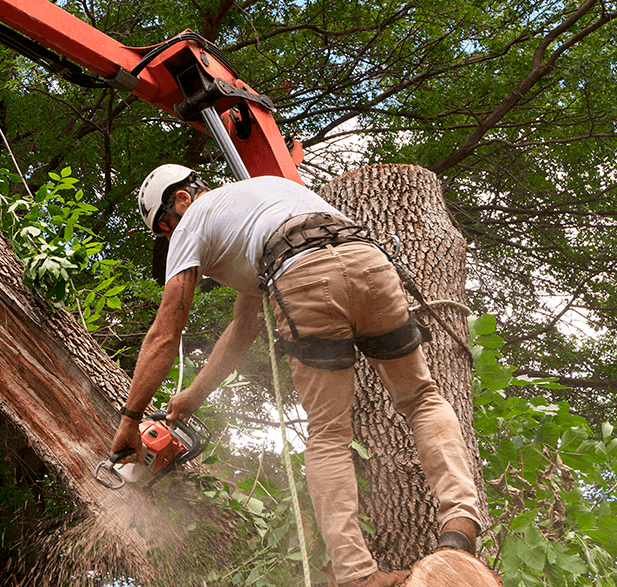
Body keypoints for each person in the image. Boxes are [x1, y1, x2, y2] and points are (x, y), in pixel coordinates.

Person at [109, 164, 482, 587]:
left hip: (302, 275)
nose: (170, 236)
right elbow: (243, 328)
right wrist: (194, 395)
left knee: (328, 432)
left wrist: (129, 420)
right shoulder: (262, 197)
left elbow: (165, 333)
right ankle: (461, 524)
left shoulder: (193, 220)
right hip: (369, 261)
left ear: (181, 199)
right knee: (421, 397)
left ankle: (358, 575)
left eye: (165, 227)